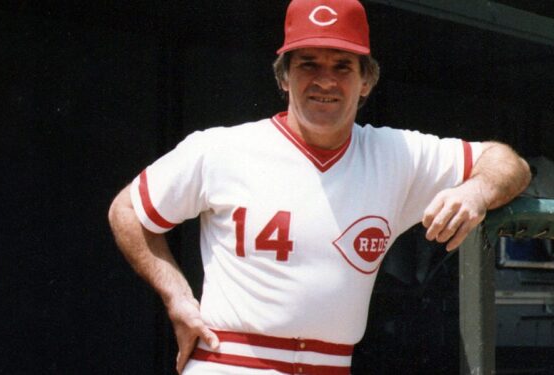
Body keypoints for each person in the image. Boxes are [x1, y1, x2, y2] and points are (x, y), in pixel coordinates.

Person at [108, 0, 530, 373]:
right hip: (231, 361)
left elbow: (510, 164)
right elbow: (127, 210)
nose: (324, 80)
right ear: (284, 77)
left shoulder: (396, 153)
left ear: (366, 81)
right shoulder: (223, 148)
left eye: (342, 66)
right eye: (308, 62)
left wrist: (475, 192)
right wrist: (177, 297)